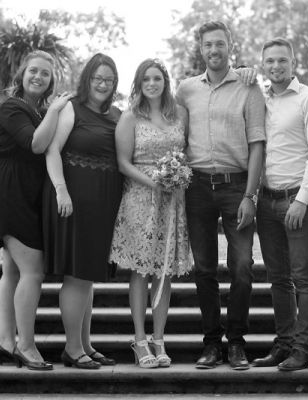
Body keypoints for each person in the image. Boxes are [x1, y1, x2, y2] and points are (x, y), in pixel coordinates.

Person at [176, 21, 266, 370]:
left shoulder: (249, 86)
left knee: (242, 266)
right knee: (204, 268)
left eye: (219, 44)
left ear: (231, 46)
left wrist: (250, 195)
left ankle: (237, 342)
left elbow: (257, 144)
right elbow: (174, 133)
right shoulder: (186, 90)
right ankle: (212, 344)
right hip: (197, 187)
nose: (213, 50)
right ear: (200, 49)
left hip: (236, 186)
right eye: (207, 45)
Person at [251, 38, 308, 371]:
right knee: (278, 279)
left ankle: (303, 348)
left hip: (298, 200)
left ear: (293, 63)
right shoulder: (259, 99)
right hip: (266, 201)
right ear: (263, 65)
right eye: (270, 61)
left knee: (303, 277)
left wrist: (301, 200)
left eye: (282, 60)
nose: (276, 66)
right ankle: (284, 345)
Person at [109, 58, 192, 369]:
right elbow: (123, 162)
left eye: (157, 78)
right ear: (139, 84)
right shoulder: (130, 117)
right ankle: (140, 339)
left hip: (172, 201)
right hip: (140, 198)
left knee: (164, 270)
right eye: (146, 79)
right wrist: (155, 182)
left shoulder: (180, 113)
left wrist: (178, 176)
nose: (152, 84)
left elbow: (186, 152)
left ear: (165, 81)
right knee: (141, 270)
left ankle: (159, 338)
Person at [43, 53, 123, 369]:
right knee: (77, 275)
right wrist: (61, 190)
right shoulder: (71, 107)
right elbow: (52, 151)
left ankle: (85, 344)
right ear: (87, 79)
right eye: (97, 78)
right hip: (74, 202)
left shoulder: (117, 114)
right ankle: (72, 349)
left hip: (104, 205)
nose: (103, 84)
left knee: (87, 275)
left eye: (109, 80)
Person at [0, 50, 71, 370]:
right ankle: (26, 346)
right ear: (22, 74)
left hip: (27, 194)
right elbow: (36, 145)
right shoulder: (12, 107)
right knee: (33, 270)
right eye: (33, 71)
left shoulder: (37, 110)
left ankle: (5, 341)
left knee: (13, 271)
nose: (38, 77)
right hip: (11, 194)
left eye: (45, 73)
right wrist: (55, 109)